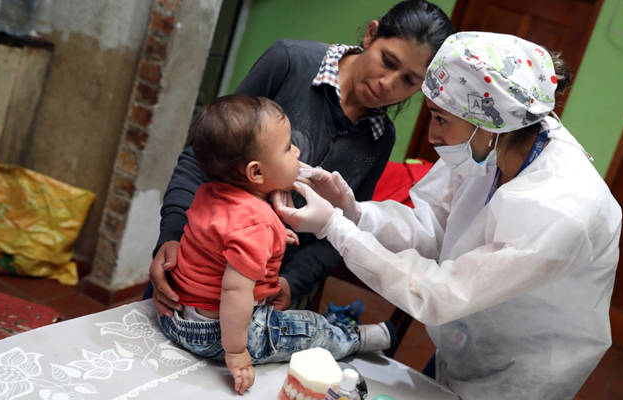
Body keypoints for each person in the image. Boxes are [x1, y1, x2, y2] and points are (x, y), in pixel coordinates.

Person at [273, 32, 622, 400]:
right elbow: (430, 229)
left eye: (440, 118)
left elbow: (442, 292)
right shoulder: (486, 146)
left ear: (490, 123)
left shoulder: (561, 210)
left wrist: (334, 228)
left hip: (522, 373)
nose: (431, 134)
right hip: (463, 341)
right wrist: (356, 212)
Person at [148, 0, 455, 315]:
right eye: (387, 61)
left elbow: (343, 226)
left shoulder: (380, 138)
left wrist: (293, 282)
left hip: (263, 294)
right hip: (194, 263)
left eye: (409, 80)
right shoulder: (290, 63)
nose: (387, 84)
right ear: (371, 35)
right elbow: (202, 157)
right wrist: (171, 235)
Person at [158, 94, 396, 395]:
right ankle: (354, 338)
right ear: (256, 172)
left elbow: (220, 240)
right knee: (309, 329)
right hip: (218, 331)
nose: (296, 151)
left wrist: (273, 237)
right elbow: (234, 290)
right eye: (287, 148)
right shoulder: (256, 223)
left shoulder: (211, 191)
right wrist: (235, 352)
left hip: (178, 318)